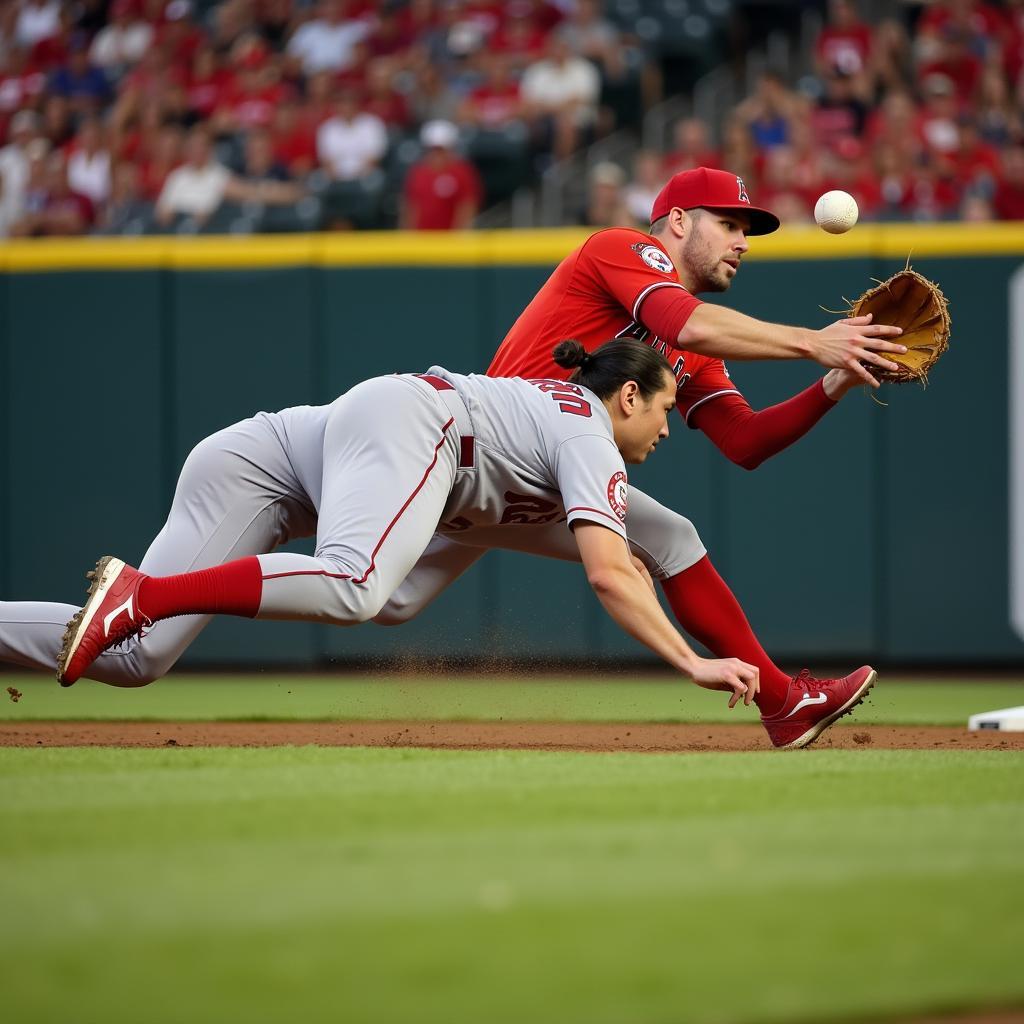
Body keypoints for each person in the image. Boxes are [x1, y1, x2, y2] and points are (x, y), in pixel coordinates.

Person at [382, 166, 898, 749]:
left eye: (745, 231)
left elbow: (745, 442)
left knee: (388, 599)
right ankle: (785, 701)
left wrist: (834, 383)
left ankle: (783, 704)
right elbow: (682, 322)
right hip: (484, 457)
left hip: (530, 482)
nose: (742, 243)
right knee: (372, 587)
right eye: (728, 224)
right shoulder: (622, 249)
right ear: (678, 221)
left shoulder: (694, 346)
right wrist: (813, 340)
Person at [11, 341, 762, 722]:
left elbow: (520, 517)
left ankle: (137, 605)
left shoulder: (554, 424)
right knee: (356, 586)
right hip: (397, 427)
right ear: (628, 395)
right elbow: (609, 571)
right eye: (666, 409)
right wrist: (689, 662)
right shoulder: (590, 438)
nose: (669, 428)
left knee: (135, 659)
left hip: (265, 456)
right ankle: (145, 593)